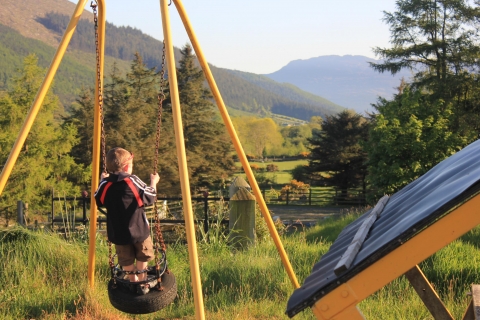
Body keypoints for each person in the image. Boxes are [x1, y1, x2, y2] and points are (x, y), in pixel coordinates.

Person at [94, 147, 160, 282]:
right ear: (126, 167)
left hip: (118, 232)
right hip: (139, 229)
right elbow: (150, 196)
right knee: (143, 254)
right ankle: (143, 281)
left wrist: (102, 181)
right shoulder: (132, 181)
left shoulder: (105, 185)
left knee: (125, 259)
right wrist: (154, 182)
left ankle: (133, 281)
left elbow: (99, 200)